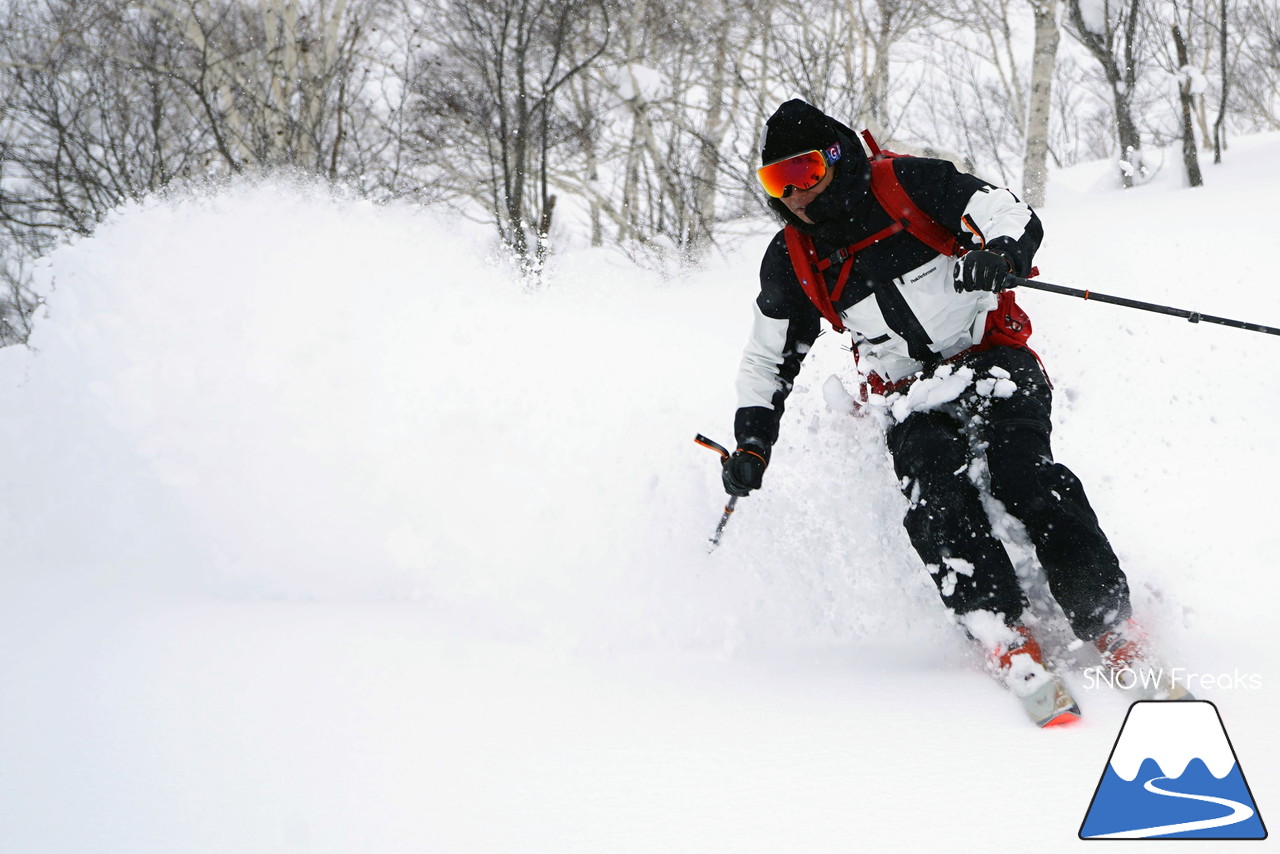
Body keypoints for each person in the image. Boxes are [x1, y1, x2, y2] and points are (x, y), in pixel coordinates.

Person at [723, 99, 1164, 698]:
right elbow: (767, 358)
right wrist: (752, 441)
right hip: (908, 394)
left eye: (801, 173)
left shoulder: (905, 183)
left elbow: (1006, 211)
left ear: (832, 159)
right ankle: (1000, 629)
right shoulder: (793, 258)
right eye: (777, 181)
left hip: (993, 359)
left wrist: (1002, 254)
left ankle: (1110, 624)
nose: (793, 195)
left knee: (1024, 476)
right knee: (933, 490)